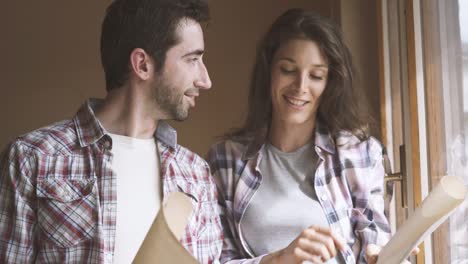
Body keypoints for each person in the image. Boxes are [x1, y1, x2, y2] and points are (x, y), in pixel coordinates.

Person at [0, 0, 222, 263]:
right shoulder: (32, 159)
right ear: (142, 64)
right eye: (193, 59)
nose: (205, 80)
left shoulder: (196, 174)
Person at [207, 9, 395, 264]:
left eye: (316, 76)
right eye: (288, 70)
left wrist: (386, 257)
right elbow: (213, 260)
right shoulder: (225, 159)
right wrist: (277, 259)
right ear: (269, 71)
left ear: (330, 83)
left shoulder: (360, 153)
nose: (300, 86)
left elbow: (374, 243)